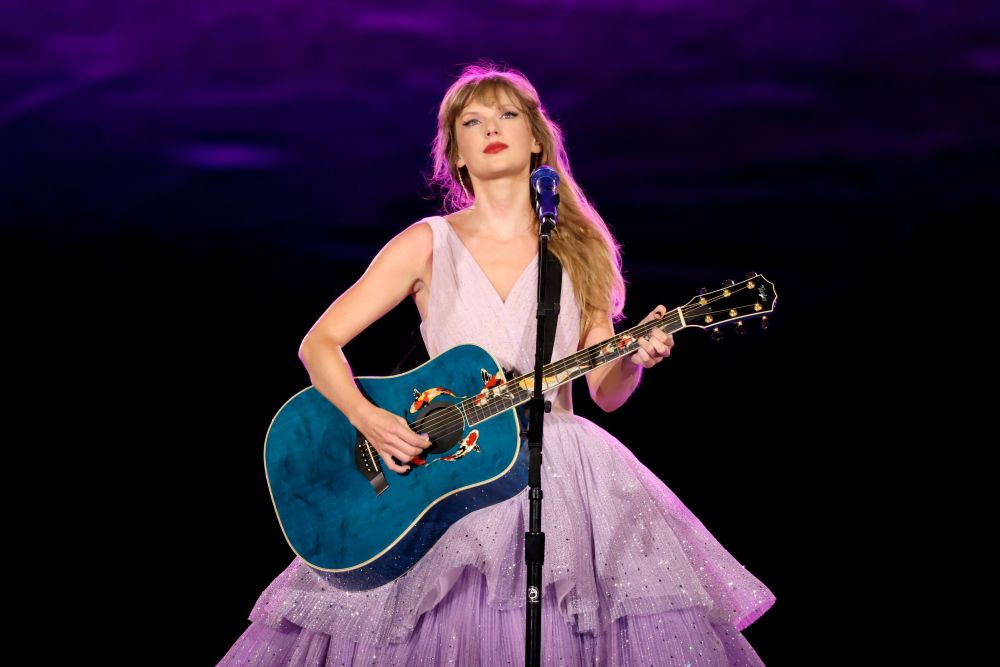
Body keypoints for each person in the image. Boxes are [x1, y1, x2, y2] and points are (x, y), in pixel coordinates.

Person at [219, 62, 774, 666]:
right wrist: (367, 417)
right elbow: (319, 343)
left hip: (561, 468)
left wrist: (637, 357)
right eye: (473, 121)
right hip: (447, 474)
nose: (491, 128)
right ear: (454, 152)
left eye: (508, 114)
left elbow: (605, 392)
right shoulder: (427, 242)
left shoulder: (580, 248)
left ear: (535, 138)